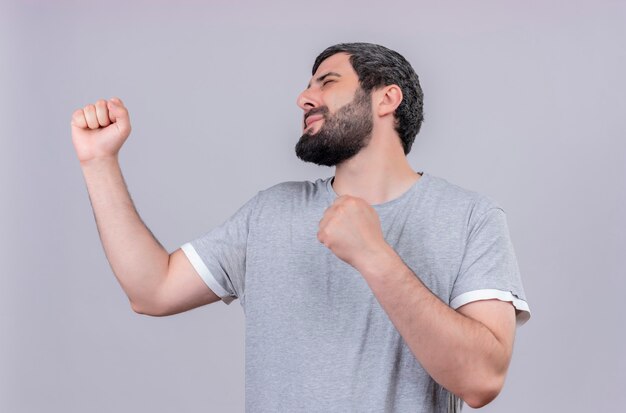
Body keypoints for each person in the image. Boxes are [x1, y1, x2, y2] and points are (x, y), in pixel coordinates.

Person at [71, 42, 530, 412]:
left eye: (327, 82)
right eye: (307, 86)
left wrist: (374, 255)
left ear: (387, 97)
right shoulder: (271, 212)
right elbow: (152, 291)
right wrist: (99, 162)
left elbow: (481, 381)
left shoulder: (471, 217)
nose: (304, 98)